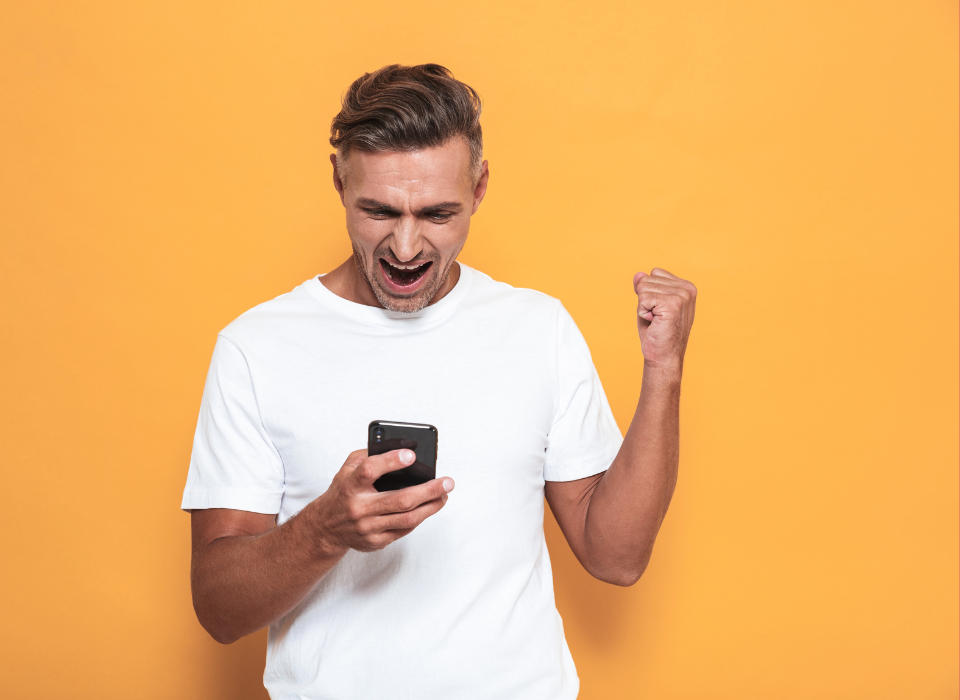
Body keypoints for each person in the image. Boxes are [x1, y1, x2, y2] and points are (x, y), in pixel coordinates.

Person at [182, 63, 697, 700]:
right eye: (377, 210)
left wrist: (663, 370)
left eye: (435, 213)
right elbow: (218, 609)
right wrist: (324, 531)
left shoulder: (537, 327)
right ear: (339, 182)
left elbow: (615, 556)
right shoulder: (256, 348)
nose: (404, 247)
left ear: (479, 188)